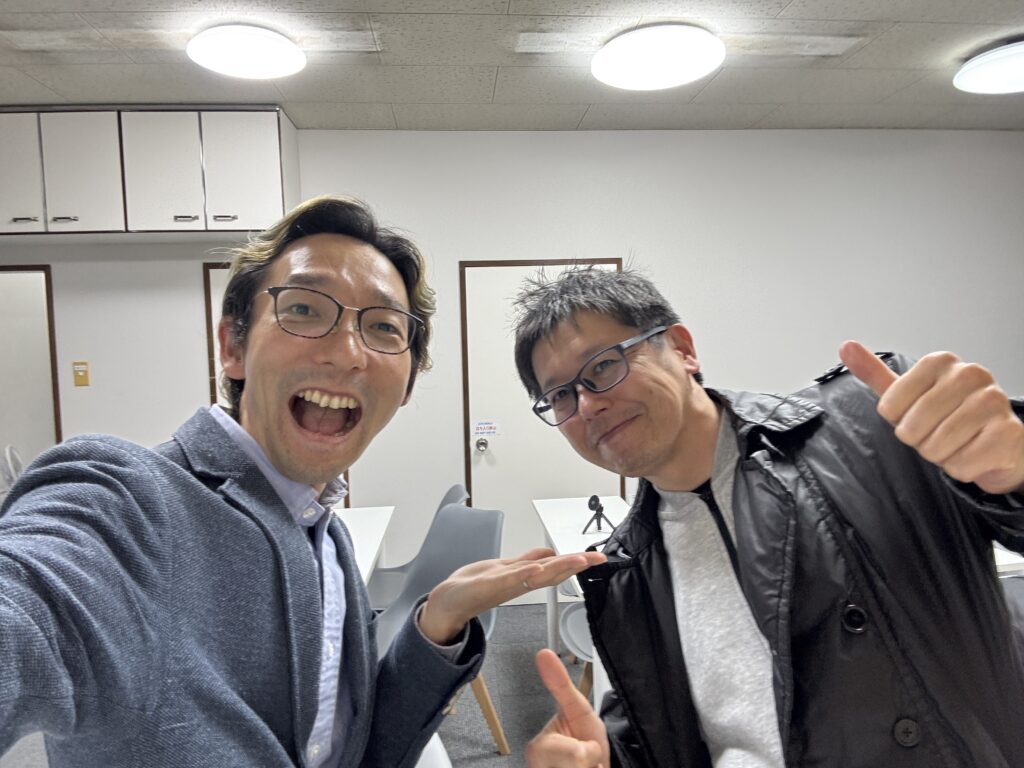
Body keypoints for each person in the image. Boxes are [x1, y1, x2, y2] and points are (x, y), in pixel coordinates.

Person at [0, 196, 605, 768]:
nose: (347, 353)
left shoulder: (328, 540)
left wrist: (435, 625)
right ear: (233, 346)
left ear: (408, 384)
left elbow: (359, 748)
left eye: (384, 328)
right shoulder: (121, 501)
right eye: (303, 309)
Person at [511, 267, 1024, 768]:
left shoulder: (871, 422)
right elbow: (676, 735)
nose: (587, 405)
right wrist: (608, 758)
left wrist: (1015, 472)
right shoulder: (626, 570)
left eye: (603, 365)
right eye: (560, 395)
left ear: (682, 349)